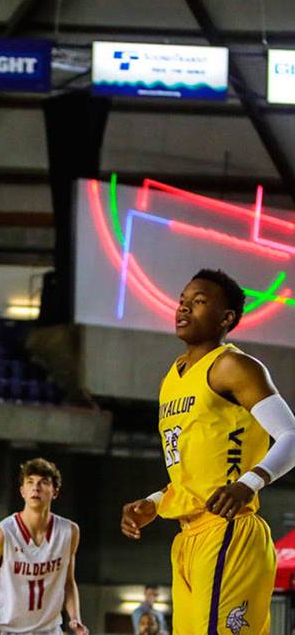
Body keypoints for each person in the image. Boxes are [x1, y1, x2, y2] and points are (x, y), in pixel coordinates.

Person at [121, 269, 295, 634]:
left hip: (229, 531)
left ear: (226, 317)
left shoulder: (233, 366)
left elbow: (291, 435)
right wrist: (153, 502)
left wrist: (249, 482)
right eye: (183, 300)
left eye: (198, 302)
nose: (184, 307)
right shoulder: (173, 378)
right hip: (188, 537)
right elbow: (193, 469)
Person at [0, 458, 87, 635]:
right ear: (22, 491)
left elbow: (68, 582)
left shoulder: (69, 531)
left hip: (49, 630)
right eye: (30, 482)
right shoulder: (2, 533)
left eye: (43, 483)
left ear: (55, 492)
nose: (36, 488)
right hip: (7, 629)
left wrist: (75, 617)